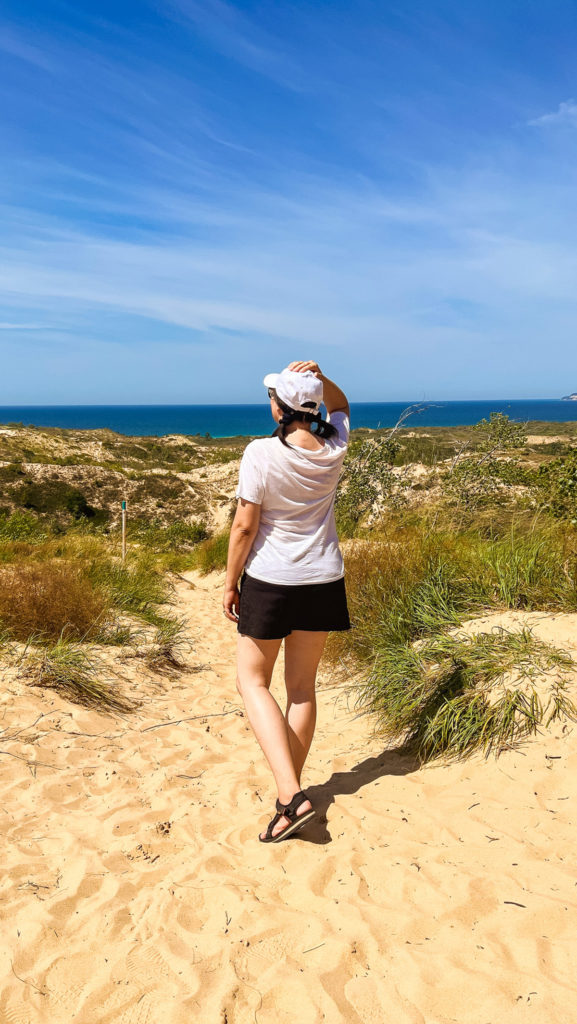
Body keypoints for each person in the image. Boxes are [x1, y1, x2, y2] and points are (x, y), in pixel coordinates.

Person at [223, 360, 351, 843]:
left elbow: (243, 526)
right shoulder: (334, 446)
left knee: (252, 683)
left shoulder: (260, 453)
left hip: (272, 580)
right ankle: (288, 796)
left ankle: (292, 796)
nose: (269, 401)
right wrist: (323, 376)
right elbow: (340, 405)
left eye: (273, 395)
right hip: (322, 578)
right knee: (302, 689)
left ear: (280, 408)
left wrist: (230, 582)